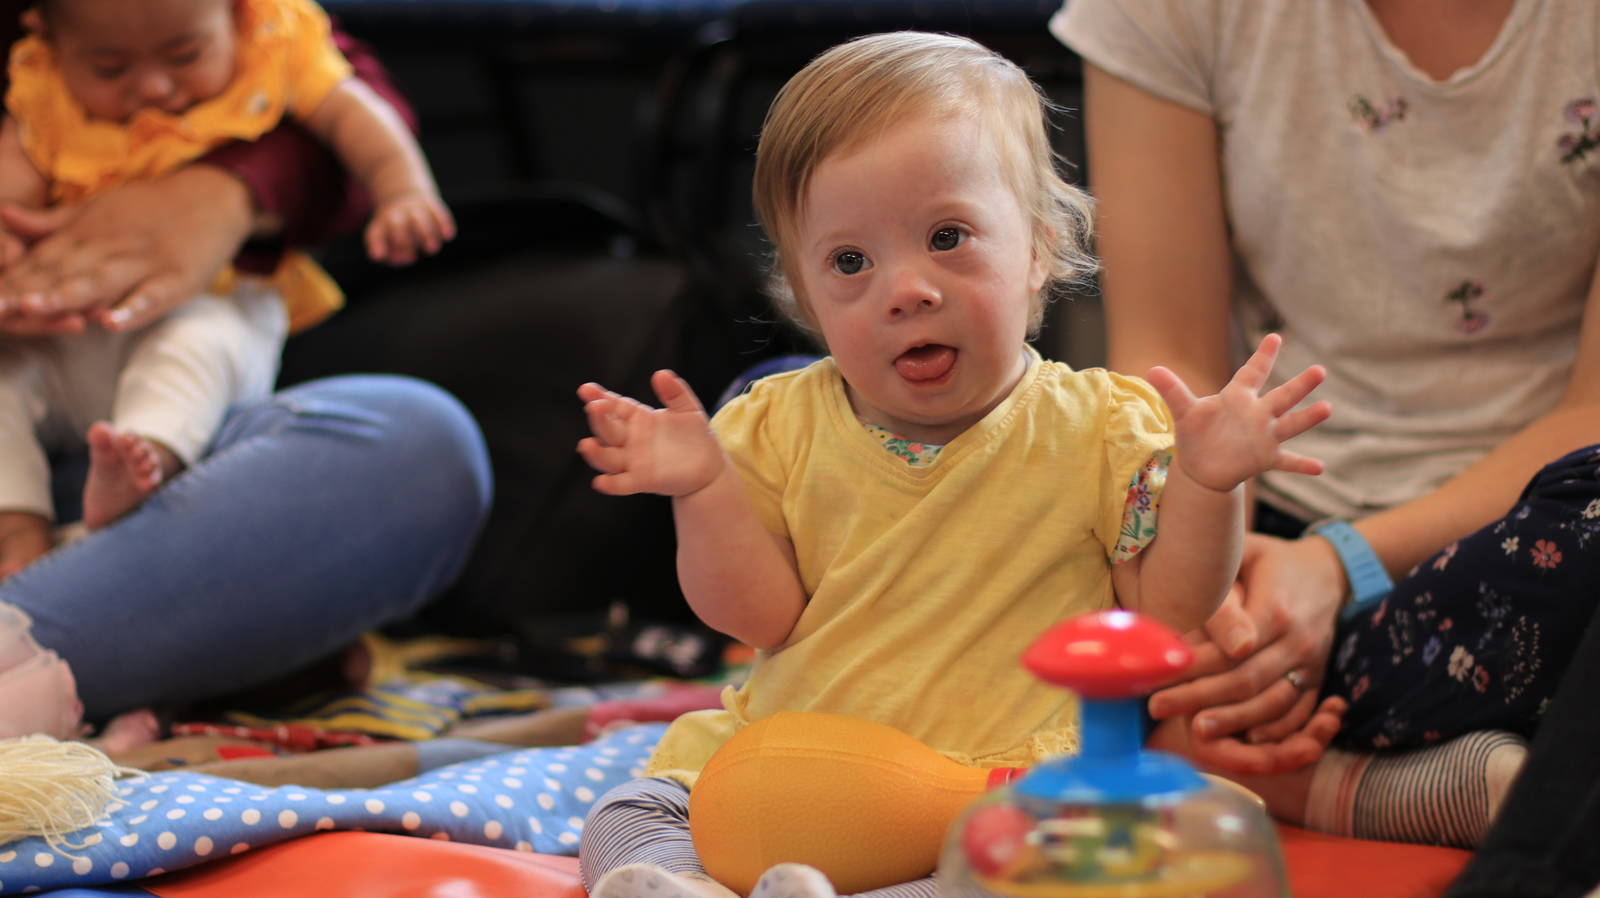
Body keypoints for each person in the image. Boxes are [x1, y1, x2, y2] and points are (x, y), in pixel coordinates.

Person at [572, 31, 1331, 898]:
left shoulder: (1098, 425)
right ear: (805, 292)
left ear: (1040, 247)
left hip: (992, 787)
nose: (906, 289)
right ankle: (681, 890)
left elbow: (1165, 609)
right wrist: (701, 489)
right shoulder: (774, 424)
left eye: (947, 236)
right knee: (630, 812)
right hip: (792, 779)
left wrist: (1209, 482)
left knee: (1035, 870)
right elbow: (759, 615)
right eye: (850, 262)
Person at [1054, 0, 1600, 856]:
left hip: (1533, 530)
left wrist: (1340, 565)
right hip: (1259, 539)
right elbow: (1165, 369)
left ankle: (1246, 754)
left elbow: (1593, 412)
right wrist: (1211, 594)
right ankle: (1359, 764)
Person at [0, 0, 491, 744]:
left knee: (419, 448)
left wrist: (249, 191)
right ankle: (28, 542)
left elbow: (359, 109)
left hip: (180, 402)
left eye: (184, 55)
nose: (156, 90)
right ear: (46, 33)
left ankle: (146, 466)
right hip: (51, 372)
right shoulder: (39, 85)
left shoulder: (273, 47)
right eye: (109, 68)